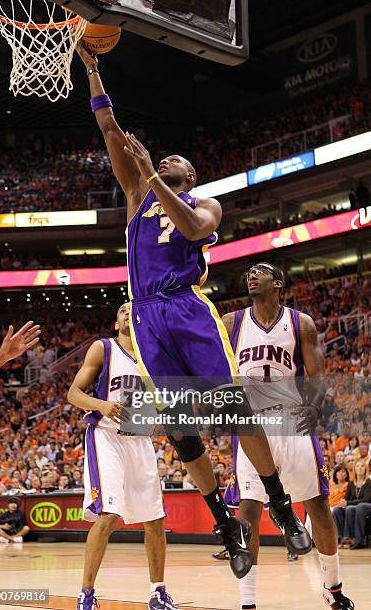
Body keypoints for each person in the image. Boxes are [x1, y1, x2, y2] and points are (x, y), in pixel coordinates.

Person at [77, 44, 311, 580]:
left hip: (186, 307)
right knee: (184, 431)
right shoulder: (137, 191)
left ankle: (277, 503)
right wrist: (92, 69)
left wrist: (155, 178)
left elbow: (194, 229)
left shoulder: (205, 204)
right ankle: (224, 523)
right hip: (145, 314)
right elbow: (109, 127)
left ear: (190, 175)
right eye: (160, 161)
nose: (162, 161)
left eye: (172, 163)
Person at [221, 263, 354, 610]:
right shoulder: (232, 322)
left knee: (318, 506)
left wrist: (314, 406)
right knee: (247, 511)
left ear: (277, 282)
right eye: (248, 272)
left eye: (260, 271)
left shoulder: (300, 323)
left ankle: (333, 589)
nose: (250, 275)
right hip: (251, 425)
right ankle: (247, 602)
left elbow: (317, 374)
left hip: (291, 422)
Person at [68, 303, 177, 610]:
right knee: (109, 515)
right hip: (106, 437)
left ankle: (158, 592)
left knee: (155, 519)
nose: (128, 312)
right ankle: (86, 593)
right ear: (116, 323)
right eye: (121, 310)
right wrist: (101, 405)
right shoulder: (103, 348)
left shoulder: (154, 357)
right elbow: (73, 393)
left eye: (132, 309)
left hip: (140, 440)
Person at [332, 460, 371, 549]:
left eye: (362, 466)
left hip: (367, 506)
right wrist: (342, 502)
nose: (360, 468)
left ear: (365, 469)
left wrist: (348, 503)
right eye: (357, 466)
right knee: (337, 509)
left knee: (354, 507)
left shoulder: (369, 482)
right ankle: (342, 538)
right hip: (354, 507)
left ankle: (358, 540)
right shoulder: (351, 483)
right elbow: (346, 498)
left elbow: (366, 499)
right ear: (354, 469)